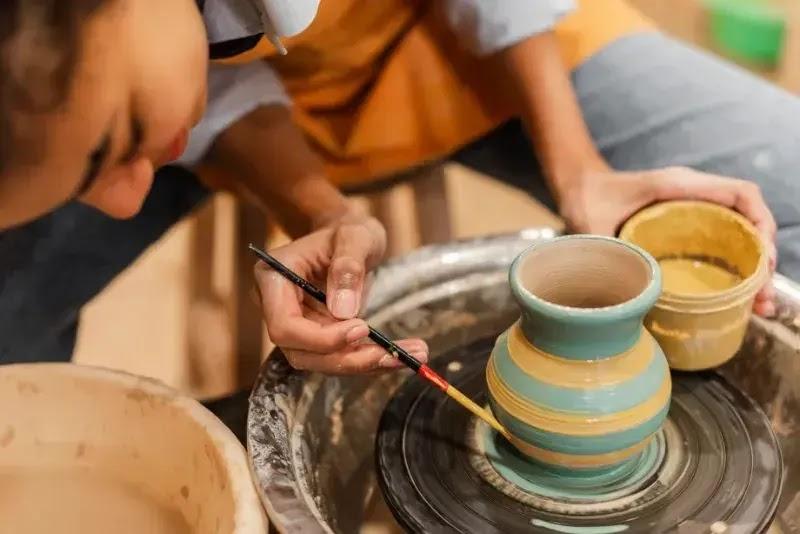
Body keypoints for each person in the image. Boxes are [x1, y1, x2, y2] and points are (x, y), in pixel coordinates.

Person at [0, 0, 792, 377]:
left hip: (439, 35)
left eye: (123, 134)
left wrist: (580, 171)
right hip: (253, 89)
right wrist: (322, 209)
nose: (127, 195)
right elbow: (206, 61)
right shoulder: (126, 64)